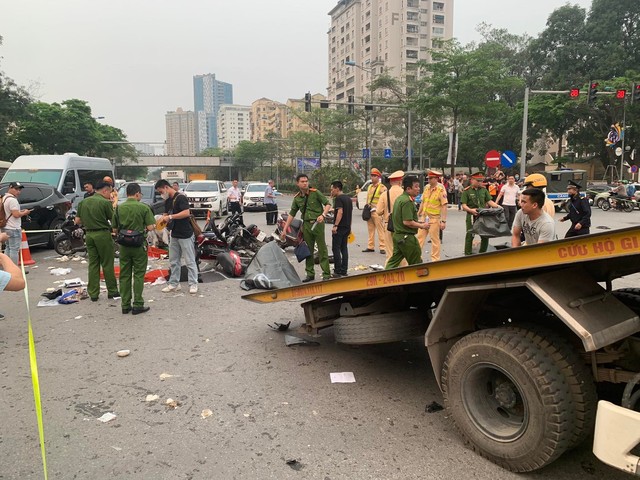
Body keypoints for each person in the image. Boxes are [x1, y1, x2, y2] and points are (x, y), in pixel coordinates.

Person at [112, 183, 156, 315]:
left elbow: (114, 229)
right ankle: (137, 304)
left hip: (124, 246)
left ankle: (125, 305)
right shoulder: (143, 207)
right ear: (137, 193)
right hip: (138, 245)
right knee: (138, 274)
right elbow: (150, 227)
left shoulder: (119, 208)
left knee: (124, 275)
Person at [280, 174, 332, 282]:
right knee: (308, 249)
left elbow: (327, 204)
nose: (305, 183)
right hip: (307, 225)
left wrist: (323, 215)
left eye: (306, 181)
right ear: (297, 183)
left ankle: (326, 274)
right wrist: (285, 229)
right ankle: (310, 273)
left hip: (318, 224)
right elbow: (291, 214)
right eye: (302, 181)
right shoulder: (297, 198)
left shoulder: (315, 192)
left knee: (322, 249)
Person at [75, 181, 119, 301]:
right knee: (107, 263)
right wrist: (116, 231)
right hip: (103, 234)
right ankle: (113, 291)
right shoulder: (105, 203)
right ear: (105, 190)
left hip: (89, 235)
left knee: (93, 264)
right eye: (110, 192)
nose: (110, 195)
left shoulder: (83, 202)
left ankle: (93, 293)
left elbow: (77, 220)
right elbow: (113, 219)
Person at [155, 179, 199, 294]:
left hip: (185, 234)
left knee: (189, 260)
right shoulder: (167, 201)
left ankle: (193, 284)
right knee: (174, 260)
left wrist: (170, 217)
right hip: (174, 234)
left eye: (161, 192)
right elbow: (166, 214)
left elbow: (186, 213)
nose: (161, 194)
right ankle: (174, 284)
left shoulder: (181, 198)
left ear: (166, 187)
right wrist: (161, 220)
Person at [385, 175, 429, 269]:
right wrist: (422, 226)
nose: (418, 189)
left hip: (398, 236)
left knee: (393, 262)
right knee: (417, 264)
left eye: (419, 186)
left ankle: (383, 279)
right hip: (407, 238)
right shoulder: (407, 201)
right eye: (416, 186)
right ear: (408, 189)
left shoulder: (400, 199)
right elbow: (407, 222)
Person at [461, 172, 499, 255]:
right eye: (478, 180)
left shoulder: (484, 190)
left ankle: (483, 253)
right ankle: (468, 254)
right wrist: (470, 210)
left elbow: (489, 201)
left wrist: (498, 207)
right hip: (471, 215)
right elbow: (464, 205)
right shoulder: (467, 191)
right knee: (470, 235)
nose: (480, 182)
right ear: (472, 180)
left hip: (482, 216)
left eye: (481, 181)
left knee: (485, 235)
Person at [417, 170, 448, 261]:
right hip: (424, 218)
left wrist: (443, 221)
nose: (429, 180)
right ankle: (417, 258)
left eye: (431, 178)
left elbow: (444, 206)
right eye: (428, 178)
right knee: (419, 239)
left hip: (434, 219)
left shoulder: (440, 190)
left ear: (436, 179)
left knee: (435, 240)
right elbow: (423, 202)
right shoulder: (426, 188)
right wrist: (418, 213)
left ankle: (435, 259)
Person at [376, 170, 404, 265]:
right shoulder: (405, 194)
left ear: (391, 182)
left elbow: (378, 211)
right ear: (400, 181)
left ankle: (390, 271)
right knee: (402, 251)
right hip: (402, 226)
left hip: (389, 225)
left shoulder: (385, 194)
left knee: (390, 252)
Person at [1, 182, 32, 265]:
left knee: (8, 248)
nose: (18, 192)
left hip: (5, 226)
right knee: (14, 249)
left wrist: (20, 211)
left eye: (19, 189)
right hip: (13, 228)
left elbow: (10, 212)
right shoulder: (12, 200)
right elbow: (16, 215)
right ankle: (14, 268)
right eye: (16, 189)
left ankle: (6, 266)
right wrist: (25, 213)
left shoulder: (4, 198)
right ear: (10, 188)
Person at [330, 180, 353, 278]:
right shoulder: (348, 199)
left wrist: (335, 226)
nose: (331, 191)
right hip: (347, 227)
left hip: (339, 228)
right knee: (344, 248)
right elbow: (350, 214)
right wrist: (350, 227)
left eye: (332, 189)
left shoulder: (339, 199)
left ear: (337, 189)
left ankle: (337, 271)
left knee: (336, 249)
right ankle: (344, 270)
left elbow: (340, 212)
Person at [362, 168, 387, 254]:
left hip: (377, 212)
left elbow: (385, 200)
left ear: (378, 177)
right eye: (371, 176)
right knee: (370, 230)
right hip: (369, 211)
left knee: (381, 230)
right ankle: (370, 246)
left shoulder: (382, 187)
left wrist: (381, 210)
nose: (372, 178)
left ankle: (382, 247)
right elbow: (368, 198)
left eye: (374, 176)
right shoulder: (369, 186)